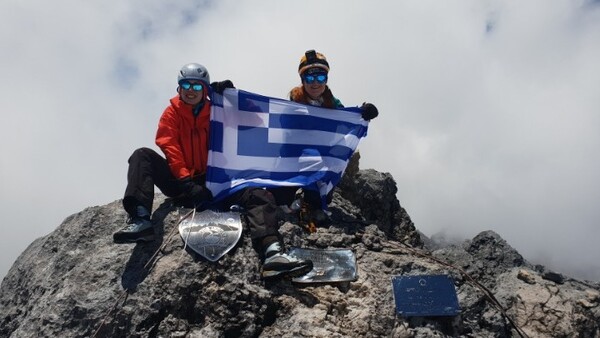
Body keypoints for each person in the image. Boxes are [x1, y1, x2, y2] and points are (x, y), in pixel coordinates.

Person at [113, 63, 312, 280]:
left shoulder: (219, 110)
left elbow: (255, 120)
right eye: (185, 85)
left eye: (197, 87)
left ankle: (272, 252)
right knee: (142, 156)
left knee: (258, 194)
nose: (190, 90)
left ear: (206, 90)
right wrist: (186, 181)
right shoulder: (172, 113)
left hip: (216, 180)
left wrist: (233, 98)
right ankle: (141, 219)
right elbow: (169, 145)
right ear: (178, 88)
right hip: (182, 183)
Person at [283, 49, 379, 210]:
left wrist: (363, 113)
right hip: (290, 160)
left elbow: (346, 123)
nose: (315, 83)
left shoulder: (334, 105)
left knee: (319, 201)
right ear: (302, 79)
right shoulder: (291, 105)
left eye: (320, 77)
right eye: (310, 77)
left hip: (320, 162)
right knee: (280, 199)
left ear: (326, 79)